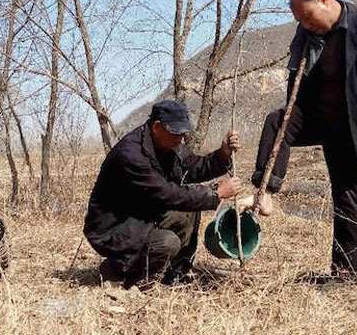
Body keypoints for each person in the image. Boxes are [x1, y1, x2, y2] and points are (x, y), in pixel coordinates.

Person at [249, 0, 357, 284]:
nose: (306, 25)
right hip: (318, 116)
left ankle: (346, 275)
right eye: (300, 21)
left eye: (308, 17)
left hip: (356, 126)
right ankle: (265, 191)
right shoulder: (306, 35)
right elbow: (298, 76)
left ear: (324, 0)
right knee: (278, 121)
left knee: (348, 195)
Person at [84, 100, 242, 288]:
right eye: (176, 134)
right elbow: (168, 194)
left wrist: (223, 154)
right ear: (157, 126)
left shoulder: (169, 144)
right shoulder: (131, 155)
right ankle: (117, 270)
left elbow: (193, 168)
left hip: (142, 214)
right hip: (115, 227)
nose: (180, 140)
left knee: (190, 210)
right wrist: (215, 194)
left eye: (183, 134)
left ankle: (176, 272)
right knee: (167, 243)